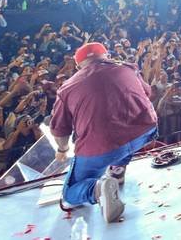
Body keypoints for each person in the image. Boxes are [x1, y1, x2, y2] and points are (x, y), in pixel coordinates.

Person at [50, 42, 157, 223]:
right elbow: (147, 93)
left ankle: (98, 189)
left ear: (78, 66)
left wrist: (62, 150)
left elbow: (60, 130)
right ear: (106, 56)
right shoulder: (128, 68)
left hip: (102, 146)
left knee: (70, 193)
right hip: (145, 131)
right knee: (123, 141)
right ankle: (117, 169)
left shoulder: (67, 87)